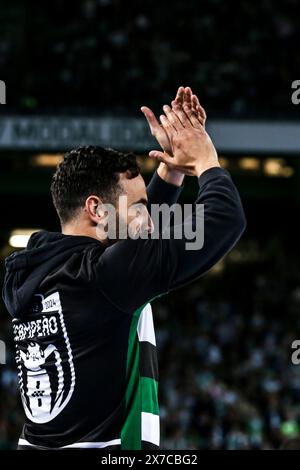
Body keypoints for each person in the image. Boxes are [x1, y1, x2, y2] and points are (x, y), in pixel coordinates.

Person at [2, 87, 246, 450]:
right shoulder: (103, 277)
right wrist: (205, 161)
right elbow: (225, 219)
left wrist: (171, 171)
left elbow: (129, 242)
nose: (148, 219)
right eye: (138, 207)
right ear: (96, 209)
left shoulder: (34, 270)